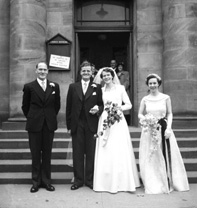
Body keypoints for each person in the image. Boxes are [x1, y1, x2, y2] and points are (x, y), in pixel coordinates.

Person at [138, 73, 189, 194]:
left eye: (154, 83)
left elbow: (170, 113)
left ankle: (167, 179)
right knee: (152, 154)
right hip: (150, 129)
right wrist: (146, 119)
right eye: (150, 83)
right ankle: (153, 179)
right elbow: (140, 113)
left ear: (158, 84)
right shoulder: (145, 99)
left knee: (164, 152)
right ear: (148, 85)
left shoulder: (165, 97)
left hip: (163, 127)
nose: (152, 85)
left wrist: (169, 128)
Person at [93, 67, 140, 193]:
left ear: (113, 76)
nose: (106, 77)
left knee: (118, 147)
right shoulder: (101, 90)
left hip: (118, 120)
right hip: (104, 120)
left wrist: (117, 108)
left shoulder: (121, 88)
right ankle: (105, 182)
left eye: (108, 75)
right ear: (101, 78)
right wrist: (98, 109)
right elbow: (100, 105)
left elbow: (129, 104)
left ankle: (122, 181)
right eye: (104, 76)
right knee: (106, 147)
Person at [21, 62, 61, 193]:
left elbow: (57, 106)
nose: (42, 72)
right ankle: (36, 182)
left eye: (45, 69)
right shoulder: (29, 87)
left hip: (48, 124)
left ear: (48, 71)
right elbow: (25, 106)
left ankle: (47, 181)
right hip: (34, 124)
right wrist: (33, 117)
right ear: (36, 71)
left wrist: (48, 116)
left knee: (47, 154)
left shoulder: (55, 86)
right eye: (40, 69)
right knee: (36, 154)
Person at [66, 63, 103, 190]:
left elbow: (101, 104)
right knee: (78, 153)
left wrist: (98, 109)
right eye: (84, 71)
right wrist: (69, 126)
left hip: (91, 124)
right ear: (80, 72)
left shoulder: (97, 87)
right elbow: (68, 107)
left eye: (88, 71)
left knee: (91, 152)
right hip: (77, 123)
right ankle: (78, 180)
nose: (86, 73)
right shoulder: (73, 87)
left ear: (92, 73)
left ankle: (89, 180)